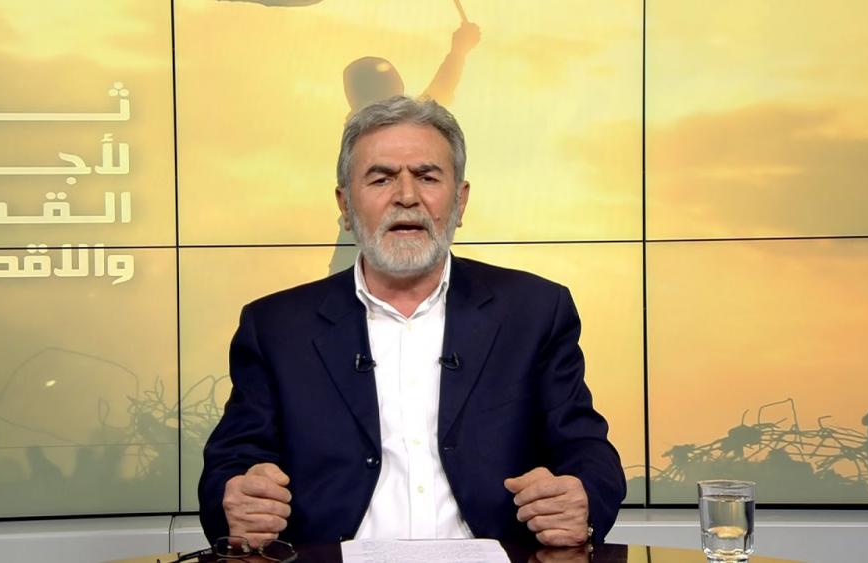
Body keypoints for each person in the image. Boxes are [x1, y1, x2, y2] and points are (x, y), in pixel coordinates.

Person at [199, 96, 626, 548]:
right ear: (345, 205)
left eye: (427, 176)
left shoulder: (535, 311)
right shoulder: (276, 328)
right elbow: (230, 468)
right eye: (381, 178)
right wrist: (236, 500)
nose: (406, 196)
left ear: (460, 200)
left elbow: (587, 450)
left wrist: (582, 499)